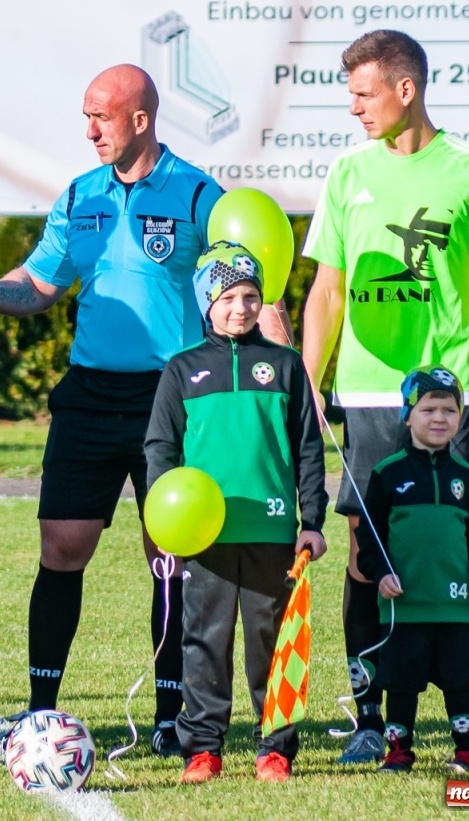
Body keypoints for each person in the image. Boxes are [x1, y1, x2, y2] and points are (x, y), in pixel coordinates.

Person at [0, 64, 228, 752]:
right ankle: (40, 711)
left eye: (101, 115)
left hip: (173, 398)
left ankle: (172, 717)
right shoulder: (80, 195)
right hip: (89, 395)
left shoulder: (198, 195)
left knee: (171, 553)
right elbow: (41, 283)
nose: (90, 129)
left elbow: (240, 294)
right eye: (86, 115)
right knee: (62, 547)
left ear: (140, 119)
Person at [299, 29, 469, 766]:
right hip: (363, 395)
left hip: (454, 393)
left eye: (363, 94)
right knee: (367, 553)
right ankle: (369, 718)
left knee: (453, 555)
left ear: (405, 89)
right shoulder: (346, 173)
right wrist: (307, 378)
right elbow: (326, 289)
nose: (353, 108)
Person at [143, 242, 328, 784]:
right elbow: (160, 449)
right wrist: (163, 519)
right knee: (204, 640)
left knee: (272, 643)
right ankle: (202, 748)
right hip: (205, 537)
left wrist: (311, 521)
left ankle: (274, 748)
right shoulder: (181, 370)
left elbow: (308, 450)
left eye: (250, 296)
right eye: (228, 297)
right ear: (207, 302)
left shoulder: (286, 366)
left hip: (272, 532)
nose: (241, 308)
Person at [354, 368, 469, 774]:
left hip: (454, 606)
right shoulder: (388, 474)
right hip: (405, 606)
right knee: (400, 682)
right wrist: (380, 573)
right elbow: (370, 537)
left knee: (460, 681)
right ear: (407, 414)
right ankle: (398, 751)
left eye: (450, 410)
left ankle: (468, 749)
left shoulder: (466, 477)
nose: (439, 418)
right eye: (428, 408)